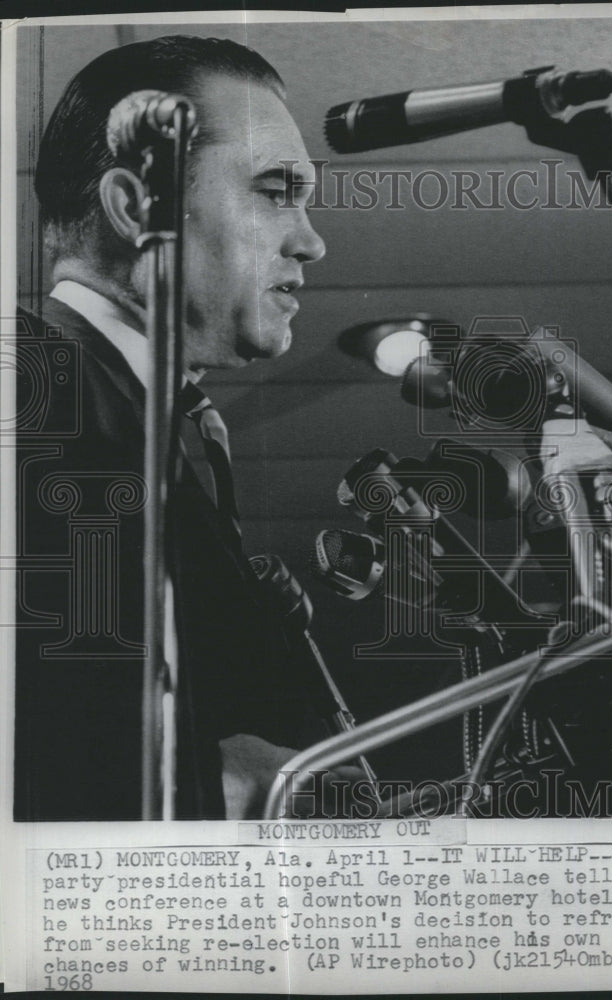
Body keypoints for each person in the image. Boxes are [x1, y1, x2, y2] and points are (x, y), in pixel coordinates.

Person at [14, 34, 351, 821]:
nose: (311, 240)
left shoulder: (152, 424)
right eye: (275, 189)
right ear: (140, 209)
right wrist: (219, 787)